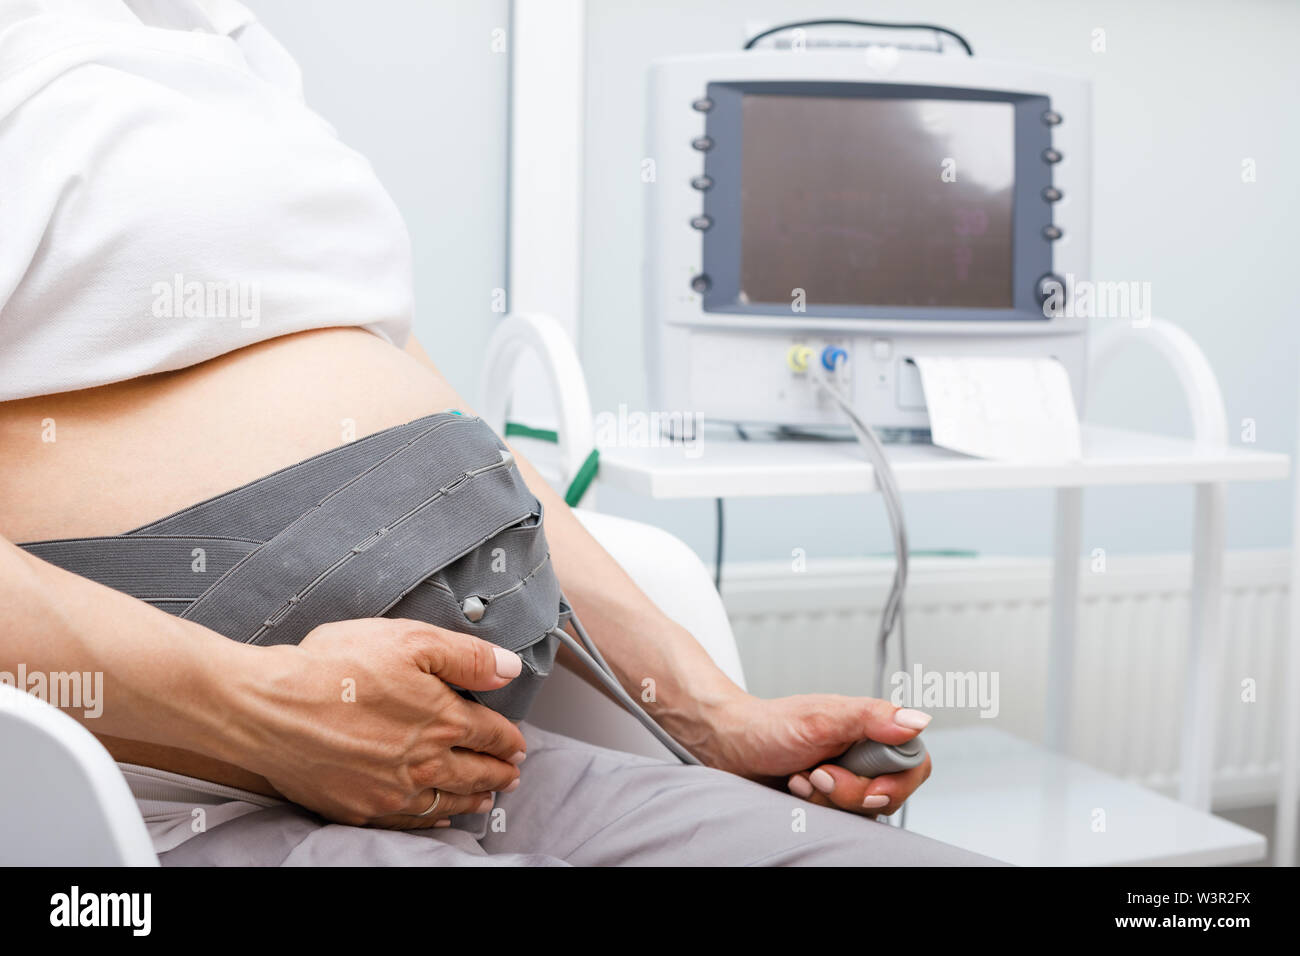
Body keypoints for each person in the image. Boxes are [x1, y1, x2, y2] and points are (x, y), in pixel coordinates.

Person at [0, 0, 995, 865]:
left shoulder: (217, 41)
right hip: (156, 812)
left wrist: (705, 710)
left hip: (476, 769)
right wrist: (269, 707)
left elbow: (435, 428)